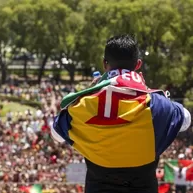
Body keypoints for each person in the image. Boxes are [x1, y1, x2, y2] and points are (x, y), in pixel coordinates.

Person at [51, 34, 192, 193]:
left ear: (105, 64)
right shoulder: (156, 105)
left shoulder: (81, 106)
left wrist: (86, 93)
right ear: (138, 64)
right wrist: (148, 92)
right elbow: (186, 119)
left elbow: (56, 134)